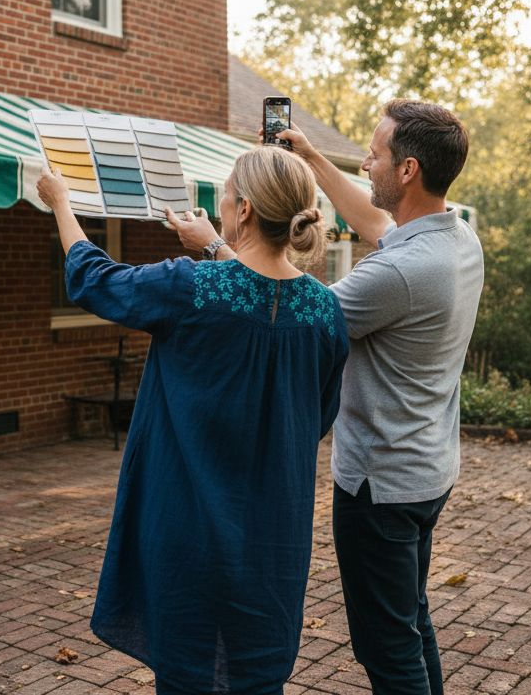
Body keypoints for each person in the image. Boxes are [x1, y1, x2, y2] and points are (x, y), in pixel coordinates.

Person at [170, 100, 483, 694]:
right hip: (428, 469)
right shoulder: (455, 239)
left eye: (375, 154)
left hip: (380, 485)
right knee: (411, 623)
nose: (366, 163)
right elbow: (373, 221)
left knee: (387, 649)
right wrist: (311, 157)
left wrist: (213, 244)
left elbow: (288, 310)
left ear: (408, 170)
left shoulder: (399, 273)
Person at [38, 144, 350, 695]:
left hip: (187, 526)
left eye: (227, 194)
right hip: (274, 534)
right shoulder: (324, 311)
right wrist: (216, 244)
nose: (221, 202)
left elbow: (93, 278)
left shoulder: (190, 287)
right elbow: (315, 415)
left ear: (245, 210)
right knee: (257, 674)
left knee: (186, 673)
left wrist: (61, 202)